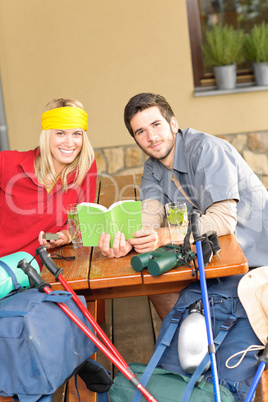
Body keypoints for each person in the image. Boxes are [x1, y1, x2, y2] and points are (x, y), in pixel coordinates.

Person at [99, 92, 268, 319]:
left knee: (179, 290)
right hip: (212, 255)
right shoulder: (153, 167)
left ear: (173, 123)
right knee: (157, 284)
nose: (151, 137)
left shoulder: (208, 150)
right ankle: (182, 346)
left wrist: (164, 235)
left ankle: (204, 342)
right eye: (141, 132)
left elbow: (223, 221)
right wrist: (132, 240)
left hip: (254, 260)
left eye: (156, 124)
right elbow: (150, 214)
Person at [0, 98, 97, 262]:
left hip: (44, 270)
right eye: (60, 133)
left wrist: (65, 236)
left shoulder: (85, 167)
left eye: (76, 134)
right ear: (46, 135)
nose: (69, 143)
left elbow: (82, 222)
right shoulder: (7, 163)